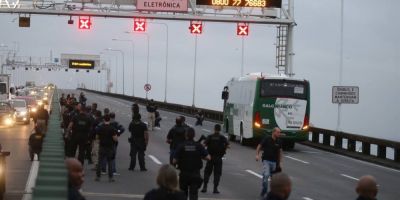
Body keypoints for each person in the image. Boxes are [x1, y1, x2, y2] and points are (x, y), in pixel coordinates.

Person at [173, 127, 210, 200]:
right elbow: (208, 157)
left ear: (186, 135)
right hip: (195, 174)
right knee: (193, 194)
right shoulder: (199, 146)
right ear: (194, 135)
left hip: (184, 174)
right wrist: (200, 156)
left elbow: (174, 161)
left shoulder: (181, 145)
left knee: (183, 194)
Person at [200, 124, 229, 194]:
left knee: (207, 172)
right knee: (217, 174)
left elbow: (203, 145)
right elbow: (228, 145)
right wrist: (224, 149)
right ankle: (215, 188)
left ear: (214, 129)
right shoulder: (222, 137)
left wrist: (205, 154)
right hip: (218, 158)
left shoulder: (210, 137)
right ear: (220, 130)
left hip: (210, 157)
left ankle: (205, 187)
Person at [256, 127, 283, 198]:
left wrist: (280, 163)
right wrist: (257, 155)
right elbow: (259, 146)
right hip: (266, 161)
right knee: (266, 175)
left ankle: (272, 195)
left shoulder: (279, 141)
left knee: (274, 180)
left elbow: (280, 152)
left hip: (275, 163)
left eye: (279, 132)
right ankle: (264, 190)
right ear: (273, 132)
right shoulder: (267, 139)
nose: (279, 134)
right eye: (278, 132)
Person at [95, 114, 118, 182]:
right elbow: (115, 139)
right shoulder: (112, 128)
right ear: (109, 120)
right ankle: (110, 177)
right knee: (110, 162)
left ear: (103, 120)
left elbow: (97, 137)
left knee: (100, 162)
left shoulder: (100, 127)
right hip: (110, 147)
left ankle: (98, 177)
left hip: (102, 146)